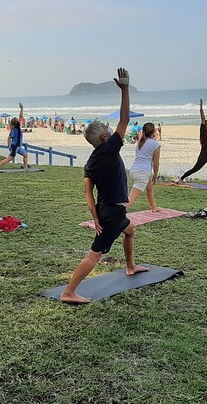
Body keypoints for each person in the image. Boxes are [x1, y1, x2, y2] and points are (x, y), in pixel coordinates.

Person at [60, 68, 148, 305]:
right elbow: (125, 119)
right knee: (95, 253)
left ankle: (130, 266)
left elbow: (88, 193)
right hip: (112, 212)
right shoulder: (109, 150)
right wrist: (125, 89)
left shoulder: (91, 162)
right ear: (105, 138)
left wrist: (94, 216)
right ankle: (68, 292)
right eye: (107, 129)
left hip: (107, 210)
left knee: (130, 230)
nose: (110, 129)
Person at [176, 99, 207, 186]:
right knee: (194, 169)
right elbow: (203, 118)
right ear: (204, 126)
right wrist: (201, 108)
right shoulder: (203, 132)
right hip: (203, 157)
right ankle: (181, 178)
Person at [127, 122, 161, 212]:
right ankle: (118, 215)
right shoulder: (155, 144)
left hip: (134, 170)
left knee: (149, 187)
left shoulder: (140, 143)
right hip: (142, 173)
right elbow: (156, 163)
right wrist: (155, 175)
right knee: (131, 198)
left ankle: (153, 207)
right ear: (153, 132)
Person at [0, 103, 29, 171]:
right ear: (16, 123)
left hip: (18, 146)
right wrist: (21, 108)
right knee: (9, 158)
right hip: (15, 146)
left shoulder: (15, 129)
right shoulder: (15, 129)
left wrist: (8, 145)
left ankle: (26, 168)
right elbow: (20, 117)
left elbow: (9, 138)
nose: (19, 121)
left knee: (25, 155)